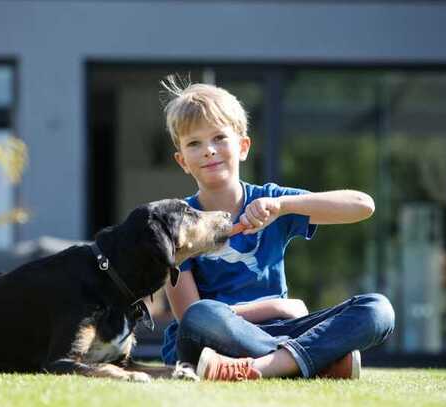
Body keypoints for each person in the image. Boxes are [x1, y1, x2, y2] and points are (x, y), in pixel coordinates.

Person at [159, 76, 395, 381]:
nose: (209, 150)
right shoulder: (177, 222)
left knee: (378, 309)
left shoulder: (272, 200)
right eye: (195, 143)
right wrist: (278, 305)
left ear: (243, 147)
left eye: (219, 138)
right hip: (211, 337)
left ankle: (262, 368)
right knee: (203, 315)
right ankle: (313, 360)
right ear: (182, 161)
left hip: (277, 331)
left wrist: (284, 206)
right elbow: (188, 314)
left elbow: (363, 205)